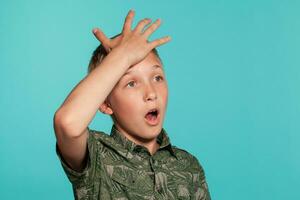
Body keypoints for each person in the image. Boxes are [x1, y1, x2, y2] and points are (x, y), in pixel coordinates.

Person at [53, 9, 211, 200]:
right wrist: (123, 57)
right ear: (105, 103)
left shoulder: (188, 166)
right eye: (131, 83)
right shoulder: (96, 156)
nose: (151, 93)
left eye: (157, 77)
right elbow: (67, 123)